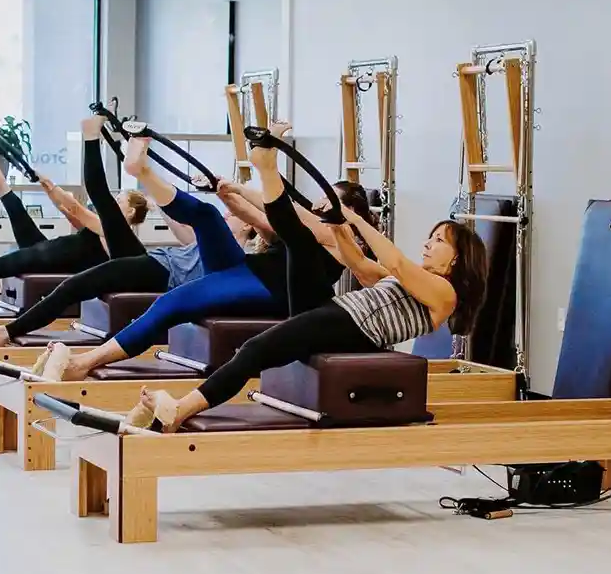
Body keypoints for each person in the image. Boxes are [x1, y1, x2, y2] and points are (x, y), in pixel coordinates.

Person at [40, 121, 382, 381]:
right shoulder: (307, 228)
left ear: (348, 213)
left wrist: (258, 172)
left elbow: (290, 213)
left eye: (330, 199)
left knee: (171, 303)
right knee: (205, 215)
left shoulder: (338, 236)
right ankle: (141, 171)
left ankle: (84, 363)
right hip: (248, 269)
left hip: (272, 291)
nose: (321, 202)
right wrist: (227, 194)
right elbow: (261, 219)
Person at [127, 190, 491, 432]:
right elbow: (362, 266)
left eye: (438, 240)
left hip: (354, 326)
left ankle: (180, 411)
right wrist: (340, 228)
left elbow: (394, 262)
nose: (428, 243)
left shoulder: (445, 293)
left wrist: (358, 219)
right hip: (341, 314)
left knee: (254, 350)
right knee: (258, 345)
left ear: (457, 259)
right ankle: (170, 417)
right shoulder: (418, 283)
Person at [0, 121, 272, 348]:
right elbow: (185, 219)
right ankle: (137, 166)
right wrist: (162, 198)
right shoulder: (199, 242)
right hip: (156, 262)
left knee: (79, 275)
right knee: (75, 285)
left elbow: (264, 224)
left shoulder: (242, 261)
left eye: (234, 215)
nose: (227, 215)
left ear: (248, 225)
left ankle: (115, 151)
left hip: (161, 273)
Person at [0, 115, 150, 315]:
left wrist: (53, 188)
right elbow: (70, 211)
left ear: (130, 212)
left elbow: (76, 208)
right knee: (12, 203)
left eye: (119, 200)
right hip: (50, 251)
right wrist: (49, 187)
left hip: (52, 258)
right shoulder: (103, 228)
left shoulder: (118, 236)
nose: (112, 203)